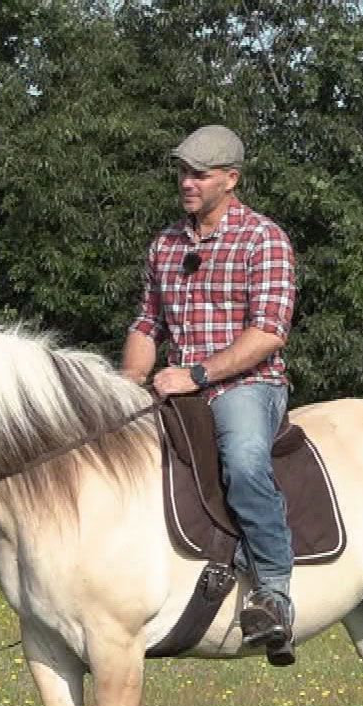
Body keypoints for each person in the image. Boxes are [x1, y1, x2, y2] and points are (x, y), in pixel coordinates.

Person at [122, 124, 300, 655]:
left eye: (199, 173)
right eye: (183, 172)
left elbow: (269, 332)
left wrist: (197, 375)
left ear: (230, 179)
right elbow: (146, 325)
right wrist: (127, 385)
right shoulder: (166, 244)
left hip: (248, 386)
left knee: (244, 462)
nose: (187, 182)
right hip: (178, 387)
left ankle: (274, 592)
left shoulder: (263, 239)